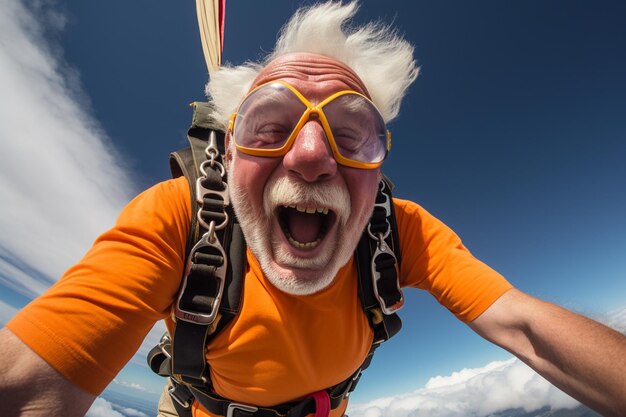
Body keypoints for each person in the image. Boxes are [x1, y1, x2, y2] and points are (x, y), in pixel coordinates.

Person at [1, 2, 625, 417]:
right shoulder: (179, 220)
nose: (308, 156)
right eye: (269, 127)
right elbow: (32, 377)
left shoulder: (401, 232)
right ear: (230, 152)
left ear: (379, 165)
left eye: (351, 135)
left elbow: (524, 326)